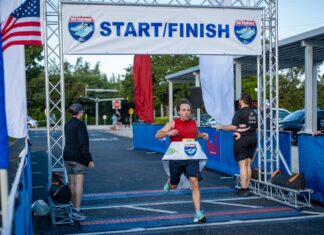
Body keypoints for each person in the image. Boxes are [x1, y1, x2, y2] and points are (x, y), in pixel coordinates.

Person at [155, 98, 209, 223]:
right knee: (174, 185)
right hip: (176, 158)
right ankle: (170, 183)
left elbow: (194, 134)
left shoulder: (193, 123)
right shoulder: (173, 123)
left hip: (191, 157)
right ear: (179, 112)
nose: (187, 112)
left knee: (194, 181)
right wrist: (168, 133)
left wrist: (202, 135)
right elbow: (157, 134)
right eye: (184, 110)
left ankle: (198, 213)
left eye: (188, 110)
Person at [217, 93, 257, 196]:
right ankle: (247, 188)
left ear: (241, 101)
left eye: (239, 100)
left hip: (242, 140)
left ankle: (244, 189)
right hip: (253, 139)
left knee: (242, 165)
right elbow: (256, 128)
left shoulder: (239, 113)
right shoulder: (254, 113)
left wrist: (221, 127)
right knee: (248, 165)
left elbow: (233, 127)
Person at [63, 103, 94, 220]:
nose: (83, 114)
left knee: (72, 183)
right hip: (78, 158)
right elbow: (83, 144)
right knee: (79, 184)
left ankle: (72, 207)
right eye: (82, 112)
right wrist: (89, 159)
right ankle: (77, 210)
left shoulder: (67, 124)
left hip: (67, 156)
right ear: (80, 112)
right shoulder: (80, 125)